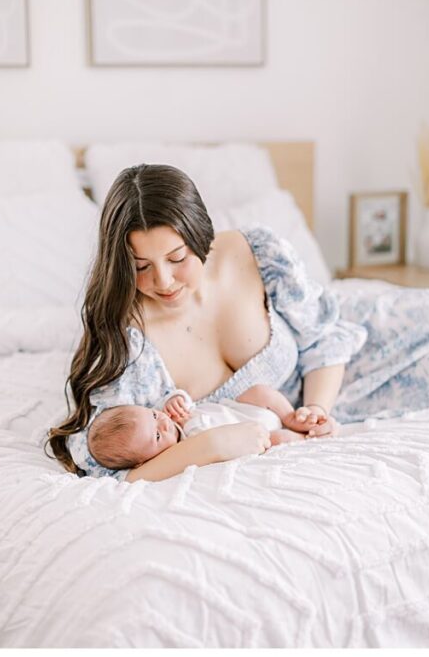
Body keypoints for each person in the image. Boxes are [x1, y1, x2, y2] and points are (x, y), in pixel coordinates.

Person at [47, 163, 368, 482]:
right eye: (141, 267)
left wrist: (316, 413)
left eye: (177, 258)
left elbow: (323, 339)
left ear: (200, 236)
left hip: (356, 371)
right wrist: (209, 445)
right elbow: (99, 457)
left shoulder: (255, 253)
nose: (164, 281)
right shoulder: (129, 340)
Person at [87, 385, 315, 471]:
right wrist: (189, 423)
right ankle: (304, 436)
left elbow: (184, 397)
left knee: (260, 392)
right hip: (259, 434)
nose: (164, 423)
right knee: (280, 439)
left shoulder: (169, 416)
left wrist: (175, 399)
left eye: (154, 415)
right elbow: (205, 443)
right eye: (157, 435)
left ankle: (291, 416)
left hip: (241, 409)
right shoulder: (179, 451)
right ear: (143, 461)